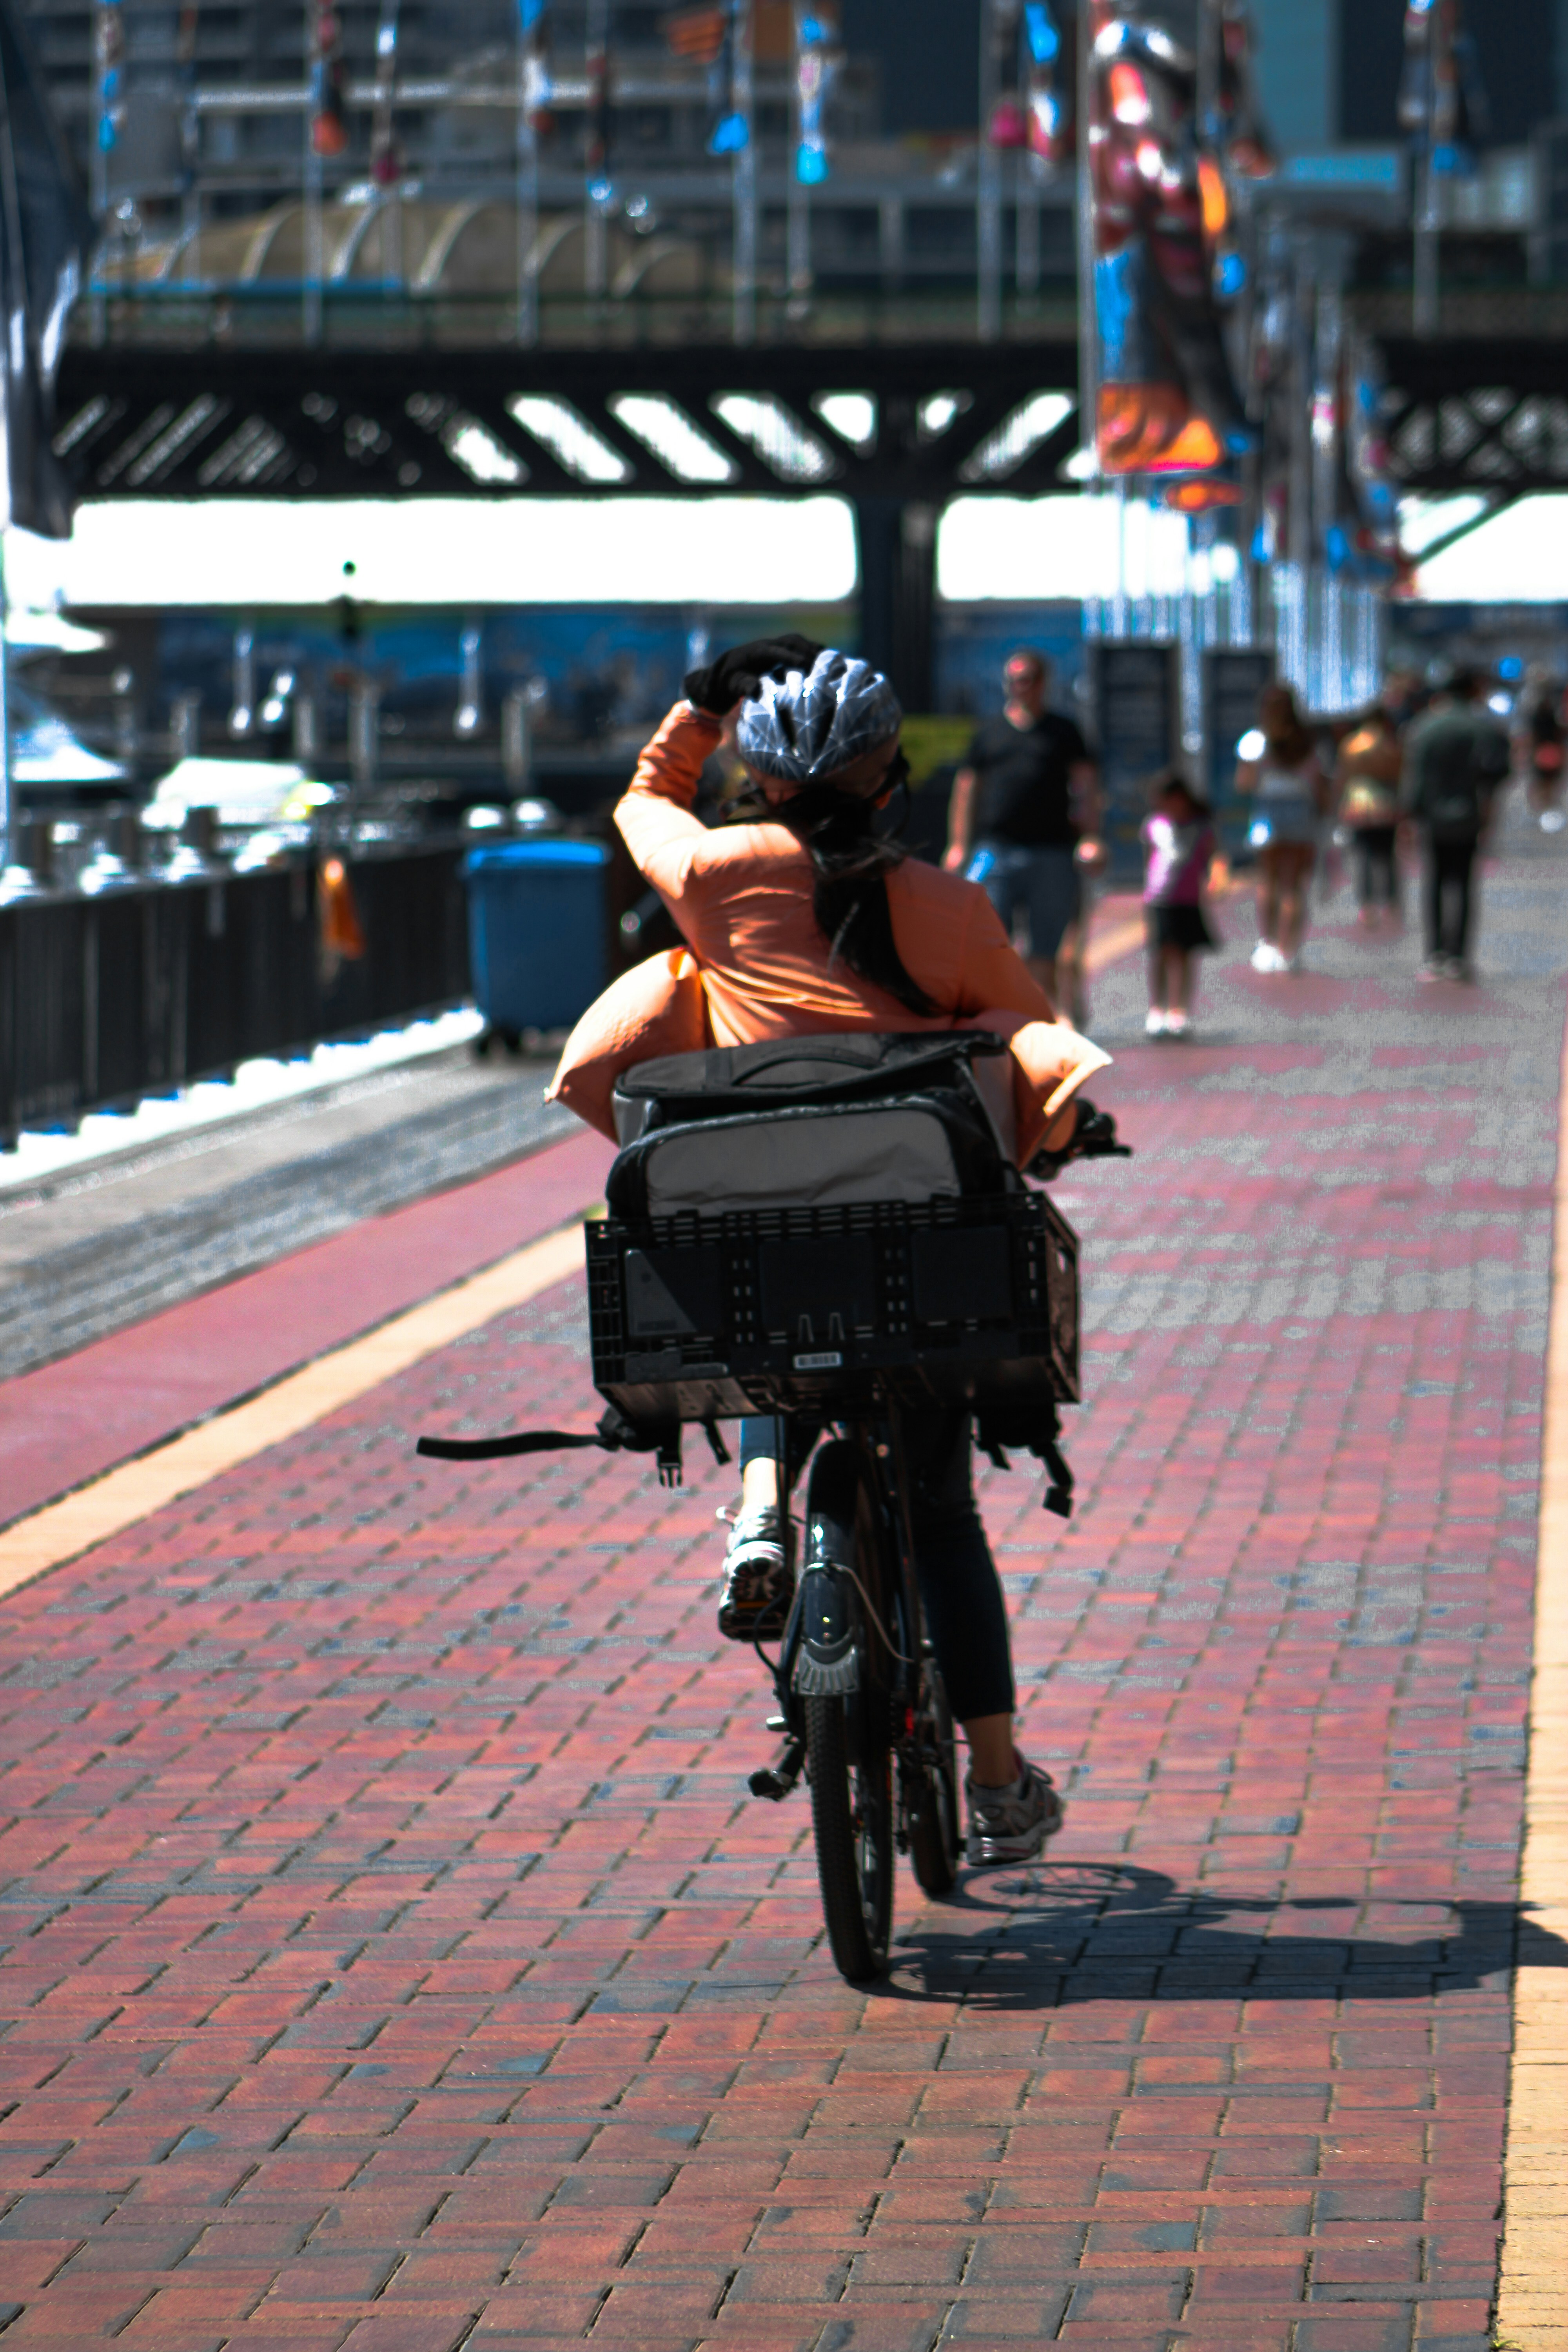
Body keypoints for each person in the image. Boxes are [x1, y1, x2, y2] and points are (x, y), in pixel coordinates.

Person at [614, 637, 1108, 1865]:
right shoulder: (944, 908)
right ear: (888, 782)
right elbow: (1023, 1035)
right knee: (939, 1514)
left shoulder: (714, 878)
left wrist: (698, 707)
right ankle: (994, 1780)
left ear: (764, 780)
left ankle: (764, 1511)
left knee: (770, 1313)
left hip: (743, 1228)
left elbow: (641, 804)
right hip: (918, 1249)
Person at [942, 650, 1103, 1025]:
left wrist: (1092, 836)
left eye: (1028, 678)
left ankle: (1039, 1019)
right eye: (1013, 679)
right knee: (988, 937)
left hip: (1052, 851)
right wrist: (958, 845)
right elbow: (967, 789)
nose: (1020, 687)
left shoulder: (1064, 732)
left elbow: (1086, 787)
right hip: (995, 850)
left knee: (1047, 944)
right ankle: (1000, 1014)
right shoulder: (990, 733)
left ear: (1043, 683)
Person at [1402, 662, 1510, 981]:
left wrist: (1409, 816)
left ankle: (1435, 952)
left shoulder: (1425, 727)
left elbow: (1415, 778)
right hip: (1469, 814)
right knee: (1463, 883)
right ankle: (1459, 955)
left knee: (1434, 881)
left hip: (1433, 817)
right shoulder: (1481, 726)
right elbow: (1499, 770)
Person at [1236, 682, 1329, 973]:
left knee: (1269, 880)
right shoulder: (1309, 740)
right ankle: (1291, 952)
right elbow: (1320, 782)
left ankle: (1269, 944)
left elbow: (1245, 784)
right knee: (1295, 885)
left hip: (1269, 811)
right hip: (1301, 810)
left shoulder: (1255, 740)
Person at [1142, 771, 1218, 1038]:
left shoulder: (1201, 825)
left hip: (1188, 898)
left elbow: (1214, 854)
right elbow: (1149, 858)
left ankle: (1180, 1010)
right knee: (1161, 951)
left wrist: (1216, 878)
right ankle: (1156, 1009)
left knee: (1185, 953)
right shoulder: (1155, 825)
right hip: (1159, 898)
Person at [1336, 699, 1405, 926]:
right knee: (1387, 855)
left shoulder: (1352, 743)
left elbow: (1343, 775)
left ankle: (1367, 904)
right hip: (1385, 802)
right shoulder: (1389, 743)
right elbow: (1398, 773)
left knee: (1364, 855)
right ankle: (1391, 901)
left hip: (1358, 802)